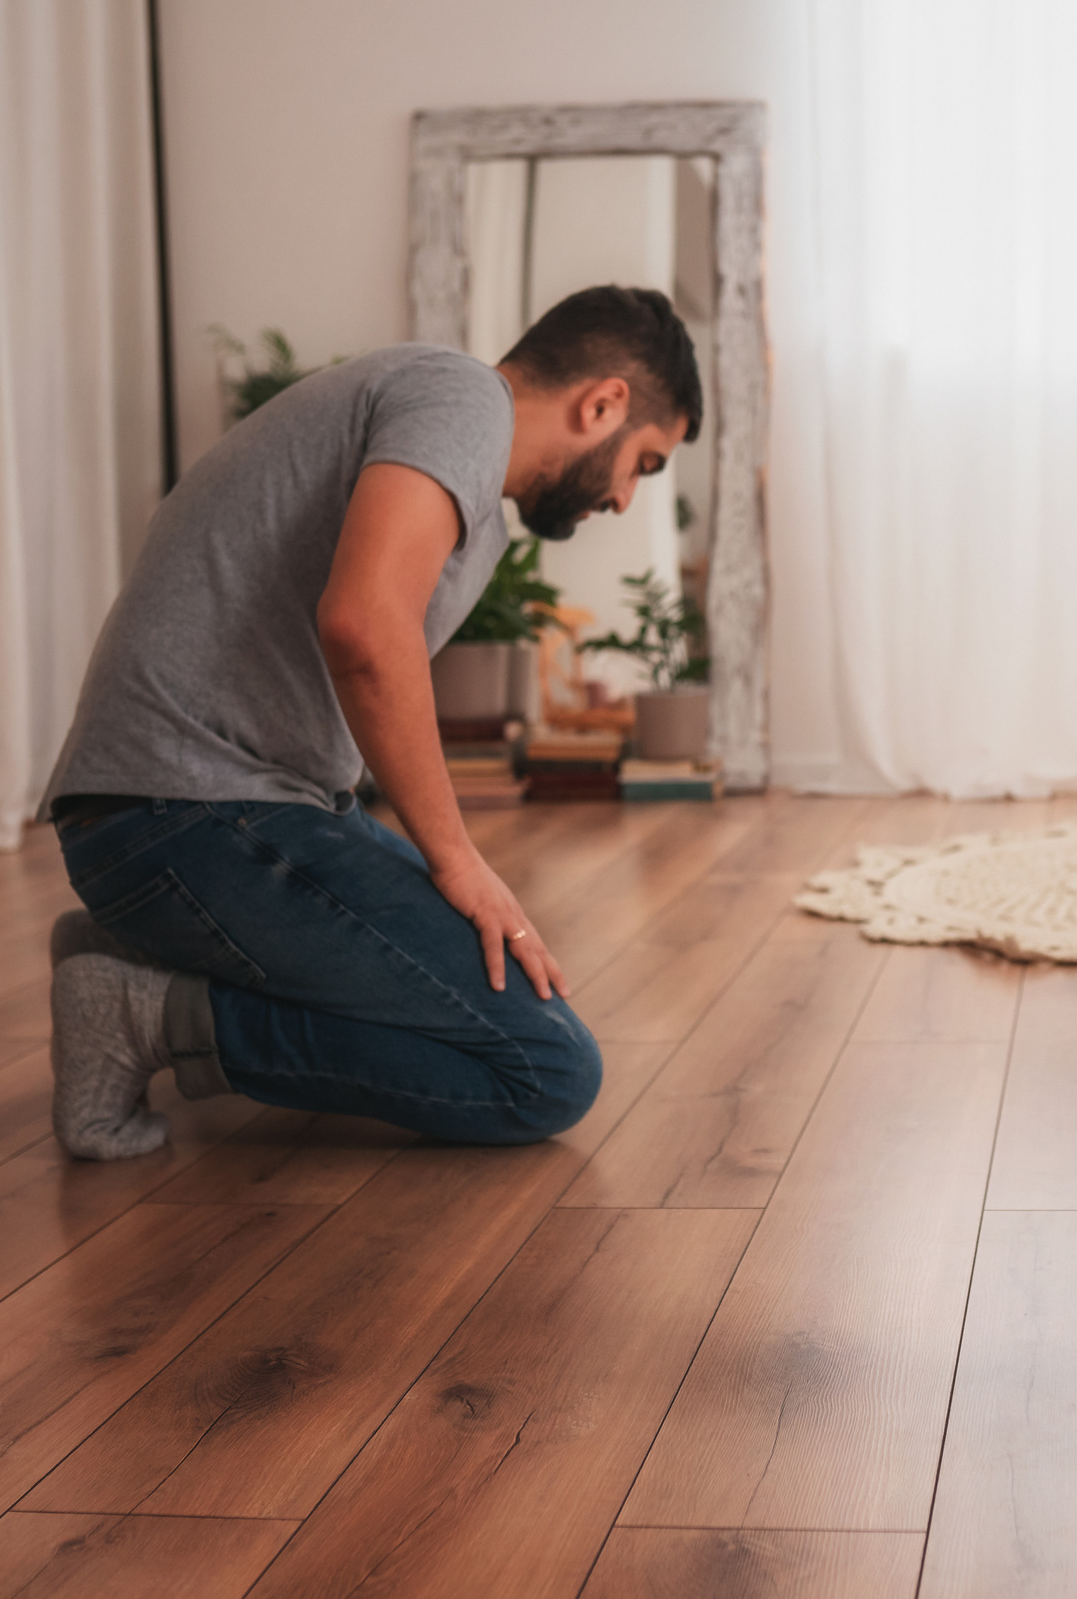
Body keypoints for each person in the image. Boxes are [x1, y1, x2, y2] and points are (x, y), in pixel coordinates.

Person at [39, 286, 698, 1162]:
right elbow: (364, 625)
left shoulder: (445, 419)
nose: (625, 498)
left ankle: (137, 947)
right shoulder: (466, 402)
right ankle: (146, 1014)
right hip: (183, 814)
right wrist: (458, 858)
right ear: (603, 403)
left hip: (198, 809)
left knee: (513, 1005)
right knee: (543, 1072)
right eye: (644, 464)